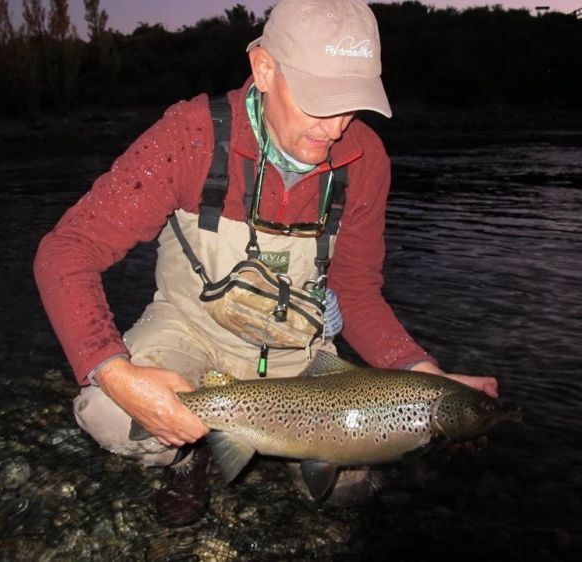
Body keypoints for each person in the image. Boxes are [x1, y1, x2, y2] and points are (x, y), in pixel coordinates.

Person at [34, 0, 498, 527]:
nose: (335, 129)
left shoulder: (366, 162)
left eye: (352, 106)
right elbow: (65, 250)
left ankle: (258, 437)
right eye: (320, 103)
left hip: (297, 349)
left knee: (353, 481)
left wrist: (421, 374)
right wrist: (113, 371)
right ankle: (189, 458)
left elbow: (358, 293)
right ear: (264, 70)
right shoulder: (191, 137)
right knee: (112, 414)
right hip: (191, 331)